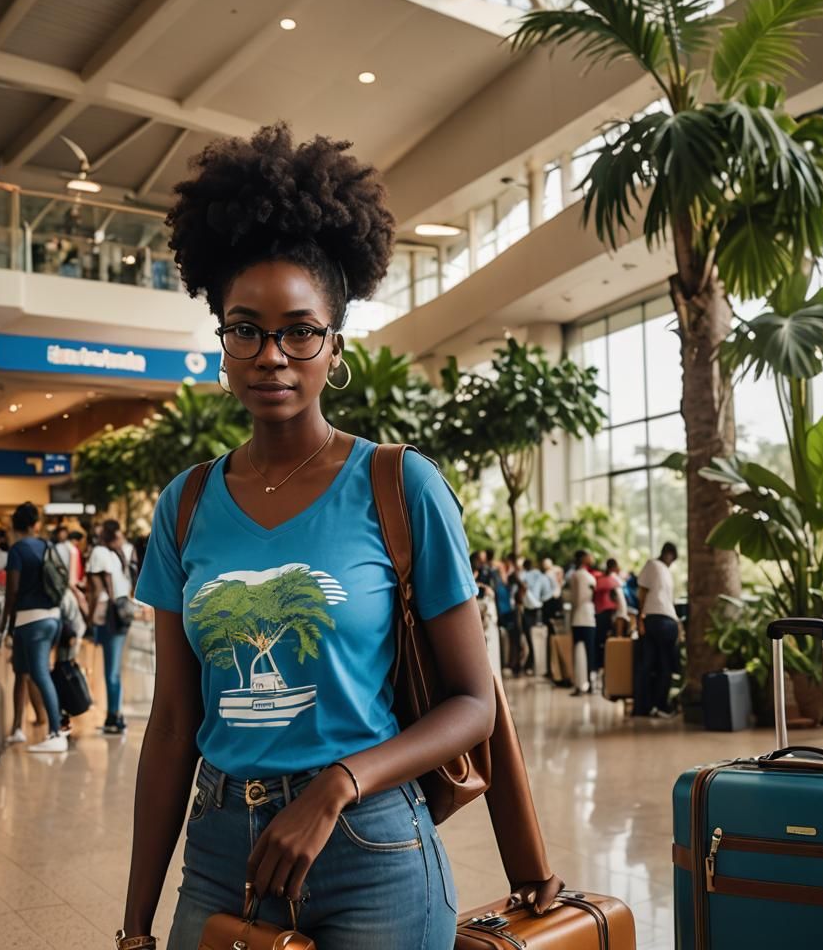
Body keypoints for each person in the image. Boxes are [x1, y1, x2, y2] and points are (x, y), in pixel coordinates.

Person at [119, 124, 560, 950]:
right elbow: (175, 724)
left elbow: (472, 702)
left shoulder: (400, 486)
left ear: (335, 346)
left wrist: (337, 787)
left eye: (299, 331)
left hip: (371, 849)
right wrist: (137, 924)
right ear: (223, 344)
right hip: (218, 851)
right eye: (246, 329)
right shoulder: (185, 505)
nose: (272, 356)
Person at [0, 502, 67, 753]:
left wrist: (3, 625)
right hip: (52, 618)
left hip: (30, 621)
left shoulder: (17, 549)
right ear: (35, 525)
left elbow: (12, 591)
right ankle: (17, 728)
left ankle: (56, 732)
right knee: (21, 670)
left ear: (15, 526)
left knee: (38, 673)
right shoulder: (47, 545)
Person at [88, 518, 133, 735]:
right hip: (123, 613)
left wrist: (88, 619)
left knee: (111, 670)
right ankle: (115, 715)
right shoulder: (119, 554)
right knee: (114, 669)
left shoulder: (99, 553)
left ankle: (115, 716)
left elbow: (97, 591)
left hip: (109, 616)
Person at [637, 542, 680, 717]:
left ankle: (643, 707)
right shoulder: (656, 566)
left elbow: (642, 593)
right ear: (669, 554)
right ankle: (661, 705)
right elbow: (643, 592)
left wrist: (641, 618)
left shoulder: (656, 567)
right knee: (665, 666)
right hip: (665, 620)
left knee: (647, 664)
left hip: (653, 619)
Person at [568, 550, 596, 696]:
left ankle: (579, 684)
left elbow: (575, 599)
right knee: (590, 652)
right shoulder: (591, 577)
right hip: (590, 617)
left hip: (579, 618)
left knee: (578, 651)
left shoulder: (575, 576)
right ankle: (590, 684)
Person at [520, 559, 552, 676]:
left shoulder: (523, 576)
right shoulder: (542, 577)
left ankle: (530, 664)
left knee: (530, 639)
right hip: (538, 609)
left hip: (528, 610)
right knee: (535, 640)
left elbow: (518, 593)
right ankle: (532, 665)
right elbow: (547, 594)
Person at [594, 558, 624, 667]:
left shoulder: (599, 580)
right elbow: (620, 601)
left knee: (600, 642)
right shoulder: (613, 580)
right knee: (607, 642)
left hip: (598, 613)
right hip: (608, 614)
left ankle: (599, 667)